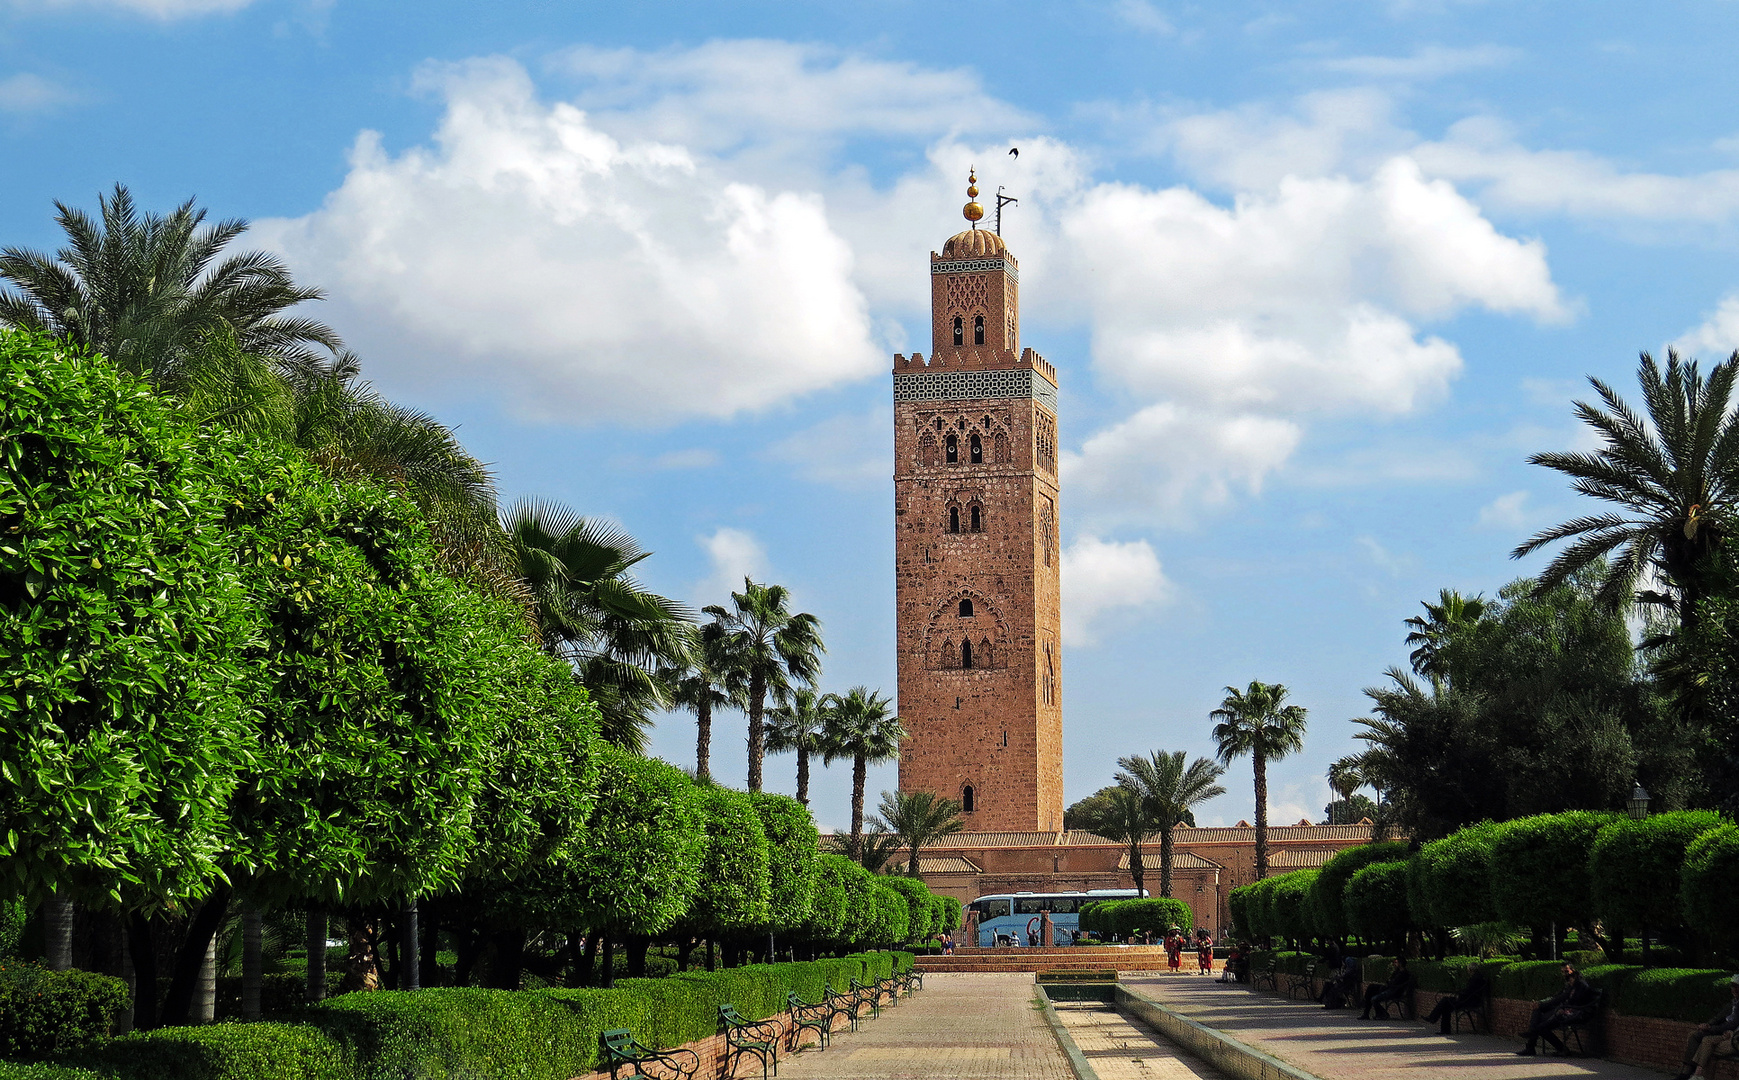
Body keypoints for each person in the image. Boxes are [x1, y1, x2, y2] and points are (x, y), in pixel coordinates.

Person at [1516, 962, 1597, 1056]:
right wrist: (1541, 1003)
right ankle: (1531, 1041)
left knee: (1541, 1027)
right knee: (1537, 1011)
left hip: (1576, 1013)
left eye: (1566, 971)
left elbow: (1572, 1001)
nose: (1565, 974)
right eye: (1563, 972)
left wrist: (1563, 1008)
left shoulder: (1580, 985)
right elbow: (1557, 996)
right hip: (1565, 1010)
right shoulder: (1570, 984)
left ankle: (1555, 1046)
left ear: (1572, 971)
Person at [1672, 974, 1739, 1079]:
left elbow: (1733, 1024)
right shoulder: (1733, 1003)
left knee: (1707, 1044)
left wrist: (1711, 1029)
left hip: (1730, 1036)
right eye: (1732, 986)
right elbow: (1718, 1017)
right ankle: (1688, 1069)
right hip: (1721, 1032)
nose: (1734, 990)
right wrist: (1707, 1025)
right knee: (1693, 1035)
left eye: (1736, 987)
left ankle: (1692, 1073)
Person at [1422, 967, 1490, 1034]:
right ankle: (1439, 1025)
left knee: (1445, 1001)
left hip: (1468, 1001)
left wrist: (1459, 995)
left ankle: (1433, 1018)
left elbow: (1468, 992)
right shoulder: (1478, 978)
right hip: (1469, 1000)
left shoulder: (1475, 979)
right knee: (1446, 1005)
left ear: (1470, 970)